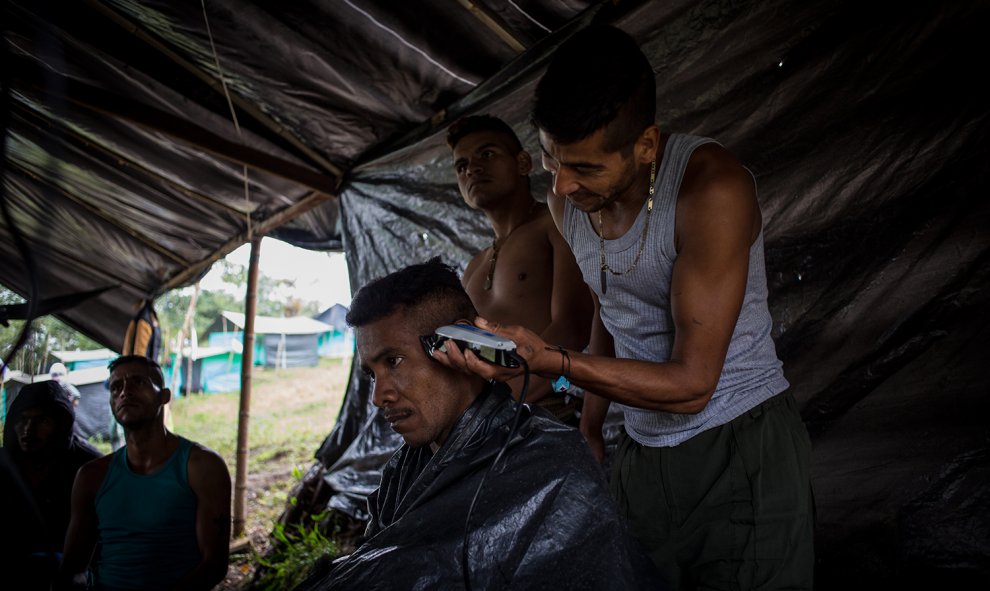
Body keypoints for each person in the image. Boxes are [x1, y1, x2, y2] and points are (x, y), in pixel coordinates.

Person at [434, 25, 814, 590]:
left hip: (739, 441)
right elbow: (612, 312)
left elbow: (694, 384)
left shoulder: (710, 190)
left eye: (585, 167)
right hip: (639, 446)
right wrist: (591, 426)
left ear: (646, 145)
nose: (561, 185)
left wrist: (554, 362)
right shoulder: (565, 202)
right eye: (548, 157)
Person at [294, 257, 662, 590]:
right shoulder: (403, 470)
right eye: (372, 374)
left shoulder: (552, 465)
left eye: (393, 361)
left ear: (456, 345)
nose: (379, 396)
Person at [446, 114, 593, 424]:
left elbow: (575, 327)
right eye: (461, 166)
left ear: (524, 163)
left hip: (548, 409)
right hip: (486, 419)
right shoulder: (475, 266)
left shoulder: (554, 225)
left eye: (487, 154)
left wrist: (496, 406)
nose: (472, 168)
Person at [59, 355, 231, 591]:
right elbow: (72, 568)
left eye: (138, 382)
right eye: (116, 387)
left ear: (164, 396)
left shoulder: (202, 467)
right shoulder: (92, 476)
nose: (124, 392)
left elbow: (214, 565)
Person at [0, 381, 102, 590]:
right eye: (23, 419)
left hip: (69, 572)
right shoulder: (4, 462)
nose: (29, 429)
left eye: (42, 420)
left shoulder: (89, 466)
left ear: (61, 423)